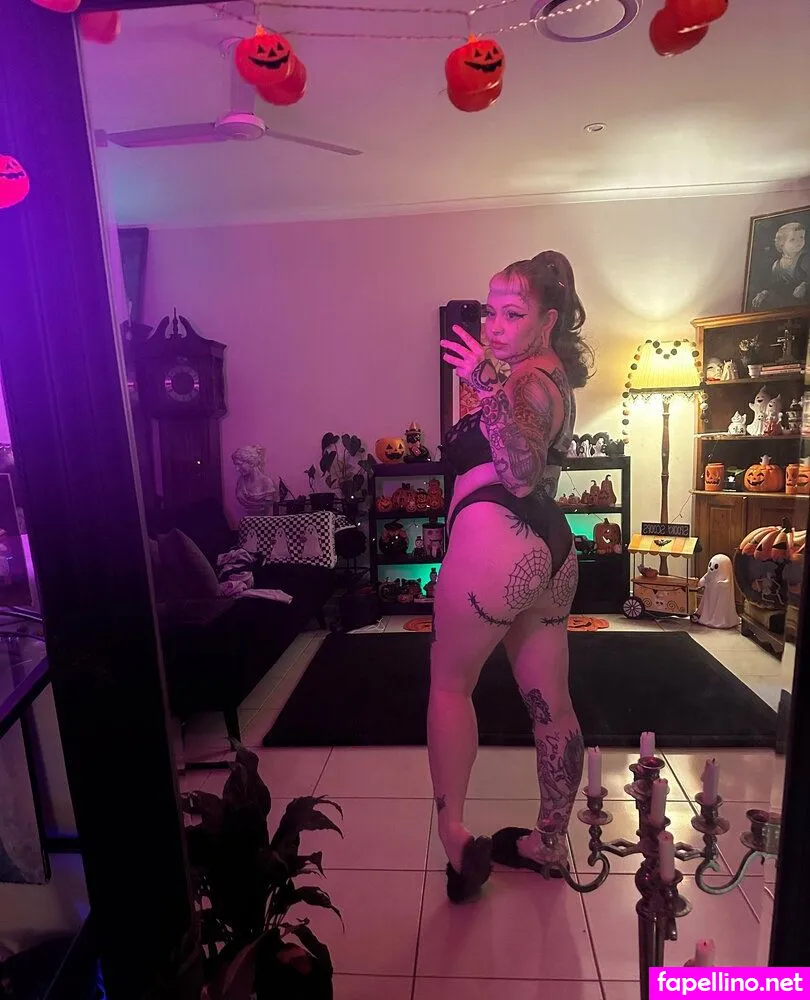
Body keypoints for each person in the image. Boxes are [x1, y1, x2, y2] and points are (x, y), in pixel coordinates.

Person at [431, 250, 591, 903]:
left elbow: (520, 473)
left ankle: (454, 838)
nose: (495, 325)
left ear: (547, 321)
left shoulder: (526, 382)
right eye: (491, 311)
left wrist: (483, 380)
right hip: (550, 550)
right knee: (552, 704)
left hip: (496, 539)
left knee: (450, 687)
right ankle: (547, 842)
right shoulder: (549, 377)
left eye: (513, 313)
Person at [750, 221, 808, 310]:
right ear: (782, 244)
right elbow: (776, 287)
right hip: (789, 302)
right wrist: (765, 292)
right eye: (792, 239)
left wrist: (805, 285)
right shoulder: (777, 265)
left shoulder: (805, 257)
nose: (799, 241)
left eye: (801, 237)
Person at [232, 444, 278, 516]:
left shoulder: (266, 483)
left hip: (262, 520)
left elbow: (267, 503)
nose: (237, 469)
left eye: (239, 464)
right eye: (236, 465)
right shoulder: (240, 482)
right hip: (247, 519)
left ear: (251, 462)